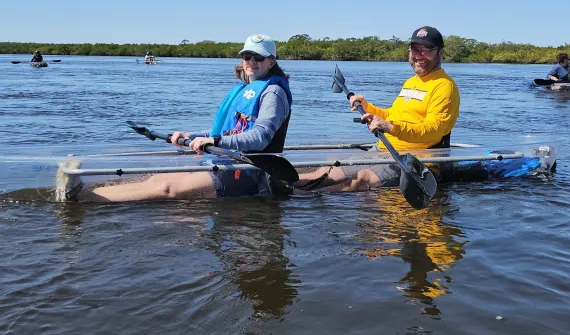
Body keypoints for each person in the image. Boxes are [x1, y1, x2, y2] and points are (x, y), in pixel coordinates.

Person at [56, 35, 292, 202]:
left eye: (258, 57)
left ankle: (84, 198)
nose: (251, 62)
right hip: (226, 162)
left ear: (272, 61)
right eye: (247, 56)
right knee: (159, 179)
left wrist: (214, 142)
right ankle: (86, 192)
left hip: (249, 172)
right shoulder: (243, 90)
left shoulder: (273, 92)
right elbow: (227, 132)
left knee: (168, 188)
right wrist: (193, 136)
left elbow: (260, 137)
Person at [295, 26, 460, 193]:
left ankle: (304, 200)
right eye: (415, 49)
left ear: (440, 53)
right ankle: (284, 185)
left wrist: (391, 128)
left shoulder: (445, 87)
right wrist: (368, 107)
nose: (418, 55)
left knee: (362, 178)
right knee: (328, 171)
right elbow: (392, 115)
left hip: (415, 160)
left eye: (426, 50)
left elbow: (434, 131)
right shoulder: (412, 81)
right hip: (384, 149)